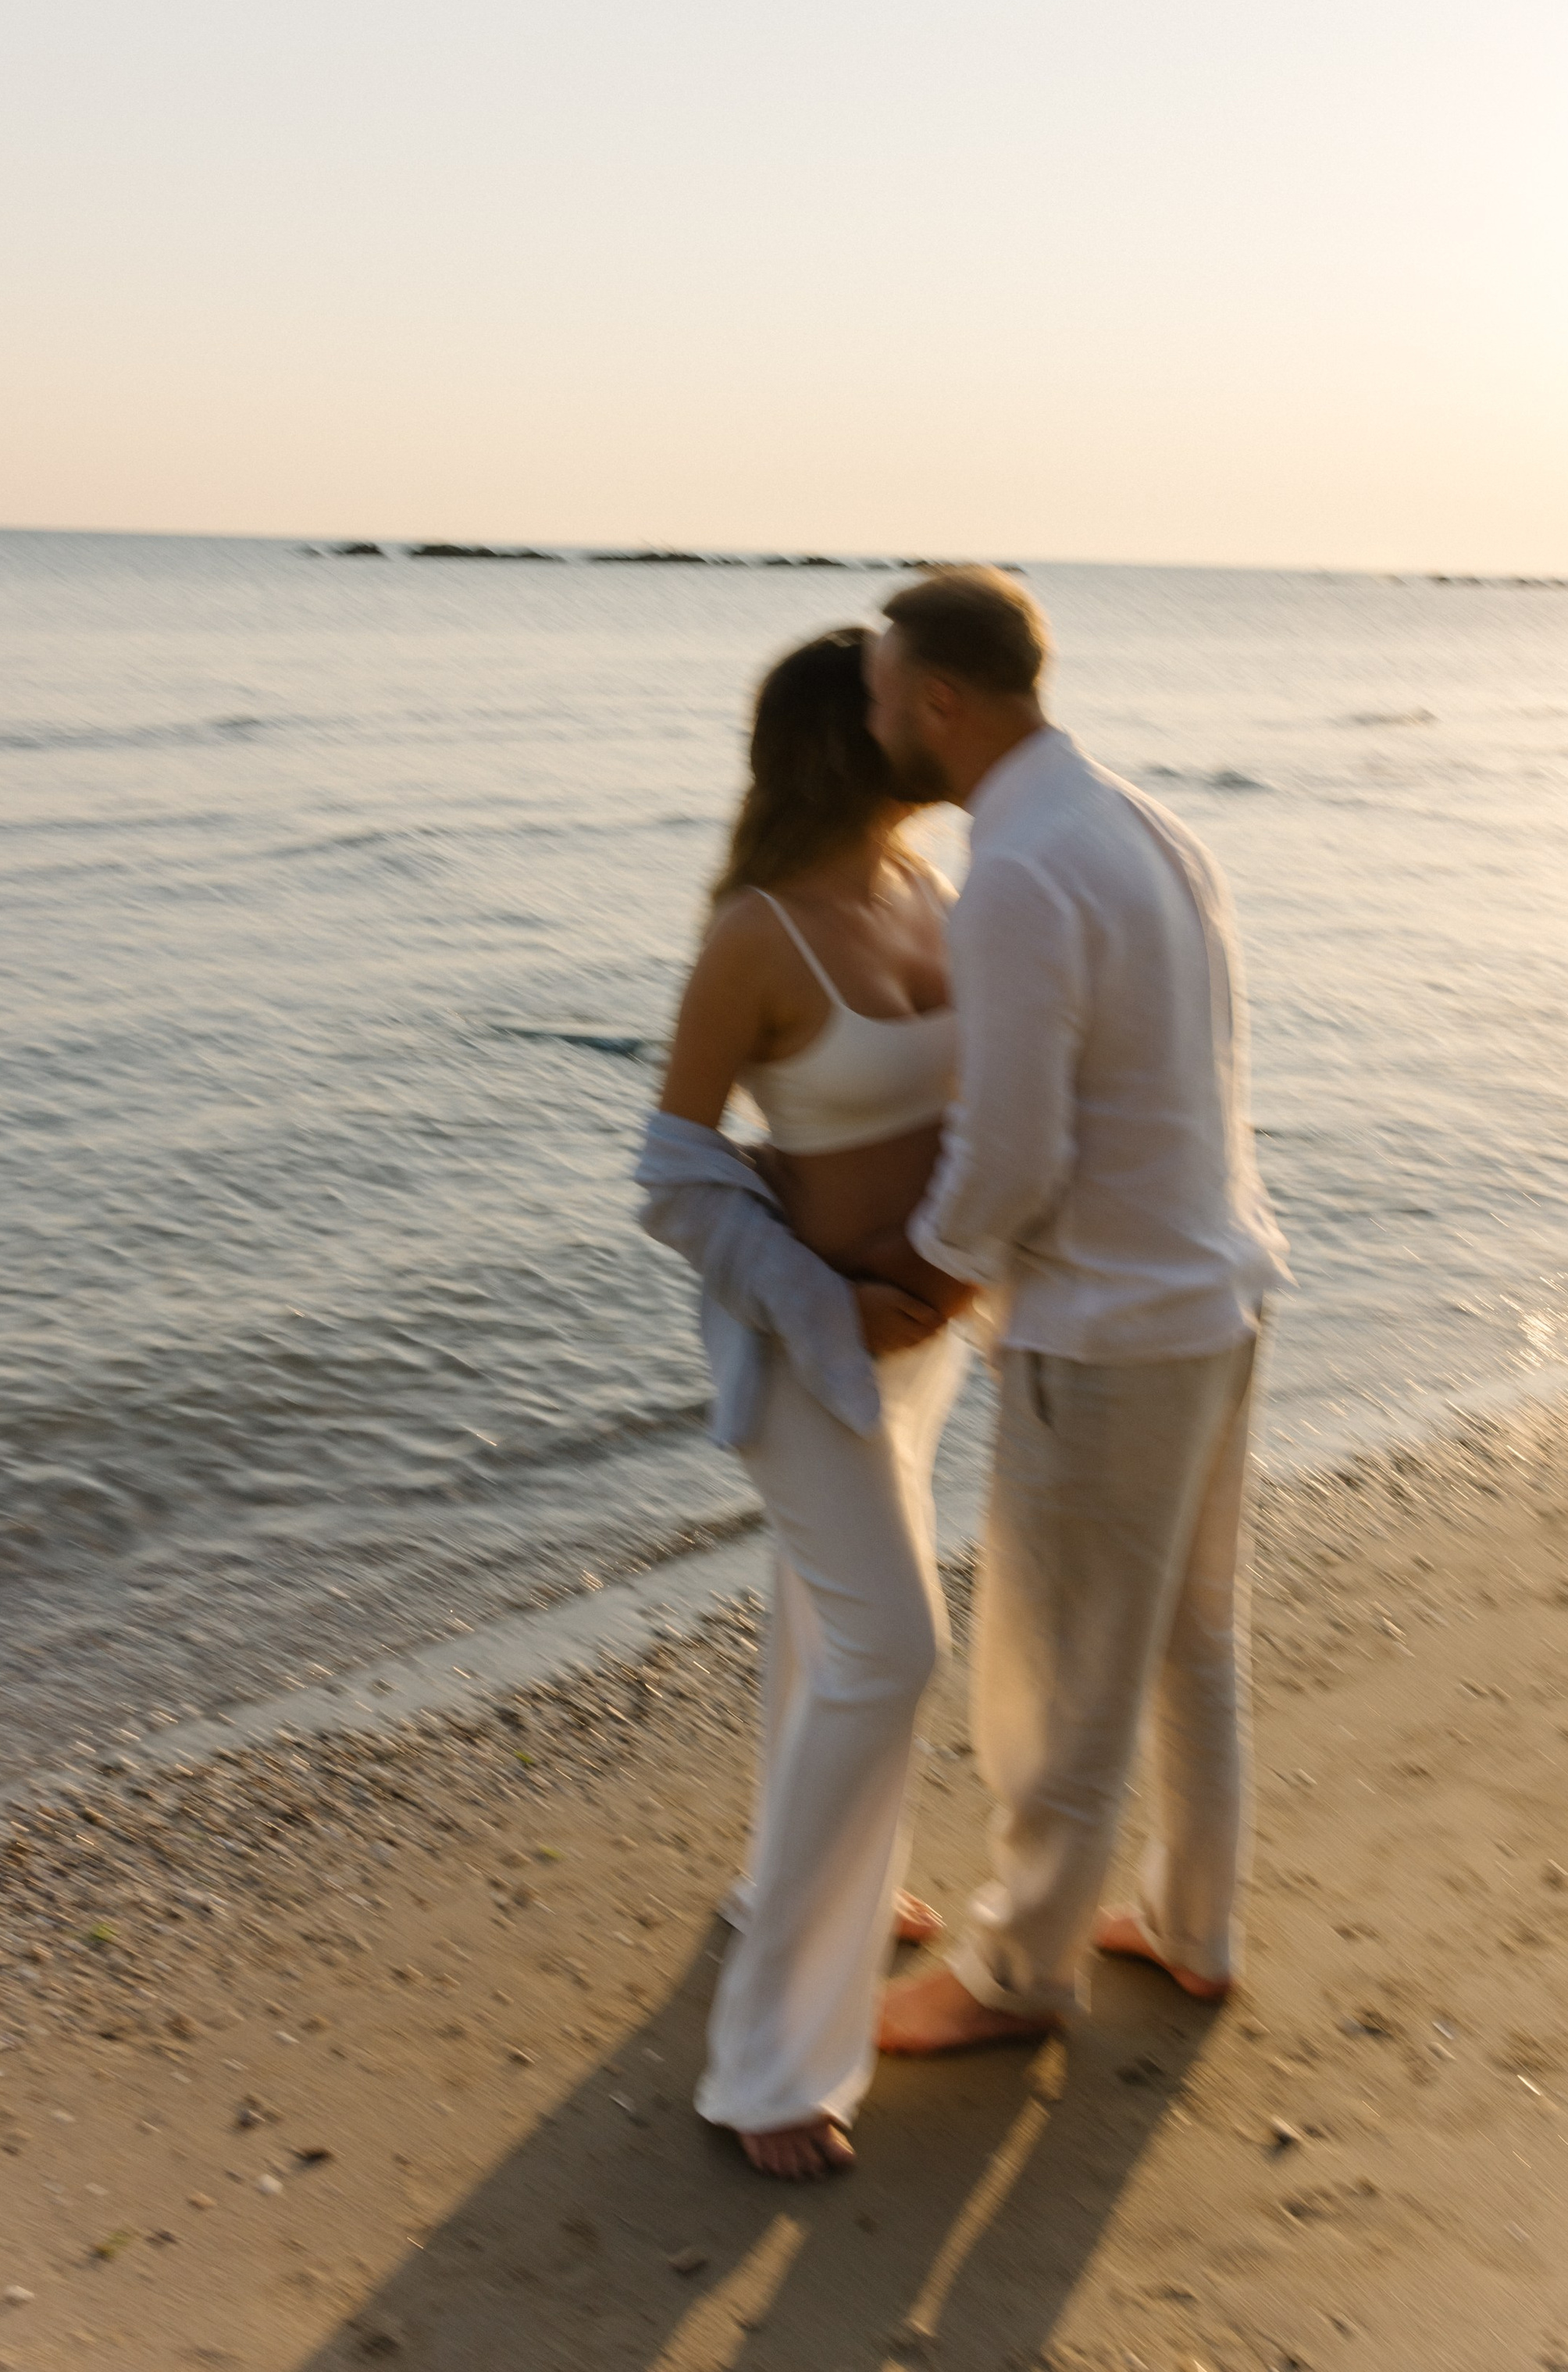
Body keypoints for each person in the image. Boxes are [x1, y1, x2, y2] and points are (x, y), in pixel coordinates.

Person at [853, 567, 1290, 2056]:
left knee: (1054, 1673)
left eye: (880, 693)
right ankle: (1193, 1922)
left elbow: (1014, 1153)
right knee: (1192, 1638)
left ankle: (1015, 1972)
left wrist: (921, 1277)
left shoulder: (1022, 874)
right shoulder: (1142, 824)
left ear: (940, 704)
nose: (871, 720)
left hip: (1113, 1325)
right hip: (1219, 1288)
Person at [636, 626, 978, 2180]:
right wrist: (824, 1294)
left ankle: (793, 1873)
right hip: (808, 1354)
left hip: (929, 1338)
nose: (927, 716)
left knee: (816, 1613)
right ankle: (768, 2063)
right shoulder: (755, 936)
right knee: (895, 1643)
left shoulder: (924, 888)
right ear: (854, 734)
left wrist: (960, 1271)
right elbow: (675, 1167)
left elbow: (985, 1099)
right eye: (898, 702)